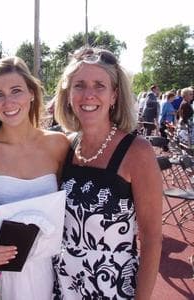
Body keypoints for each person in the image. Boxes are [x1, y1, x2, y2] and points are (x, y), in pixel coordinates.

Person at [0, 56, 69, 300]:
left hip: (42, 270)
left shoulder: (58, 145)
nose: (8, 102)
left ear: (31, 94)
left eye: (16, 90)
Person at [52, 47, 162, 300]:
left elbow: (153, 238)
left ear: (114, 95)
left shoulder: (137, 152)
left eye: (99, 85)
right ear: (68, 94)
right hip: (62, 285)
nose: (88, 95)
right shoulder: (65, 147)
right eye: (79, 85)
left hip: (113, 289)